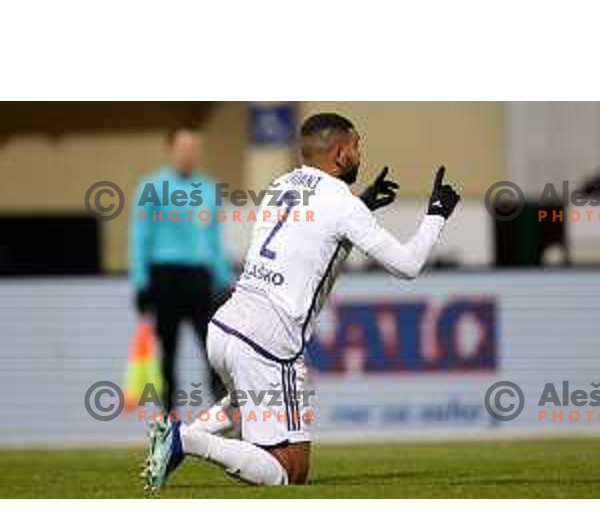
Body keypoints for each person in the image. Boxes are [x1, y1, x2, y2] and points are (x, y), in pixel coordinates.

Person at [144, 113, 460, 490]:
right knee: (288, 471)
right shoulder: (342, 204)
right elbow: (407, 266)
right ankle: (186, 439)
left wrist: (363, 205)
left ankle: (173, 442)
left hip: (225, 325)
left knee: (245, 401)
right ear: (341, 153)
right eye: (357, 147)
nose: (360, 155)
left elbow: (315, 235)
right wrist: (436, 215)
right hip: (268, 339)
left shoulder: (281, 185)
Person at [129, 127, 232, 413]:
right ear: (170, 150)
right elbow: (141, 236)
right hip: (165, 276)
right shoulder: (152, 187)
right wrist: (140, 282)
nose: (189, 154)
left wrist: (224, 280)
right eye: (183, 148)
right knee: (168, 354)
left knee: (213, 351)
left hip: (199, 277)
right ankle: (167, 421)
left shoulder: (209, 189)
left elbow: (213, 240)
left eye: (194, 148)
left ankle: (221, 419)